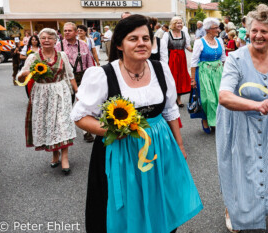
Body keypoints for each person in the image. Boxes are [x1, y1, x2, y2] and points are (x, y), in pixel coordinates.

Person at [70, 14, 203, 233]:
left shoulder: (161, 69)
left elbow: (170, 111)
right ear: (120, 44)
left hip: (160, 147)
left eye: (146, 38)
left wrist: (179, 145)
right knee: (126, 209)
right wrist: (112, 130)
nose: (141, 43)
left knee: (161, 200)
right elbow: (80, 116)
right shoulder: (103, 75)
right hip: (120, 150)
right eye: (133, 38)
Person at [217, 4, 268, 233]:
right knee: (241, 172)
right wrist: (256, 104)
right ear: (247, 31)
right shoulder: (235, 58)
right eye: (254, 30)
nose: (258, 35)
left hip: (267, 124)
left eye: (264, 31)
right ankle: (233, 211)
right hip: (238, 124)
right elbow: (224, 96)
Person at [17, 28, 77, 175]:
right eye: (43, 38)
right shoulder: (33, 57)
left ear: (55, 40)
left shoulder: (62, 55)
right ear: (39, 39)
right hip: (42, 94)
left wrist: (78, 92)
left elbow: (70, 75)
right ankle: (55, 154)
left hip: (61, 92)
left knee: (62, 124)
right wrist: (23, 74)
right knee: (50, 125)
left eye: (50, 38)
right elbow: (21, 77)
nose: (46, 40)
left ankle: (64, 157)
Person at [55, 22, 95, 143]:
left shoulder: (83, 45)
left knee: (84, 105)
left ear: (76, 32)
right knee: (65, 105)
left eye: (69, 30)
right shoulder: (58, 46)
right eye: (65, 30)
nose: (66, 32)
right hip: (65, 78)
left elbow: (89, 62)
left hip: (81, 77)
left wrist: (91, 78)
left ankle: (87, 131)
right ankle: (65, 133)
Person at [190, 18, 226, 134]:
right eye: (216, 28)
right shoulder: (199, 42)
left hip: (218, 72)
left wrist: (227, 74)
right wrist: (192, 79)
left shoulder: (219, 40)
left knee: (219, 99)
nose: (218, 30)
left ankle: (216, 122)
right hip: (204, 73)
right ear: (208, 29)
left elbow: (224, 58)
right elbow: (194, 62)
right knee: (208, 100)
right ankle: (205, 119)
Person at [162, 16, 192, 107]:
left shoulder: (184, 34)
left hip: (182, 58)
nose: (180, 24)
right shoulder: (167, 34)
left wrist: (195, 50)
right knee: (172, 78)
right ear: (173, 24)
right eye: (178, 23)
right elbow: (163, 48)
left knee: (181, 78)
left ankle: (179, 99)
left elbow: (188, 46)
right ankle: (171, 99)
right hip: (171, 58)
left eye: (181, 23)